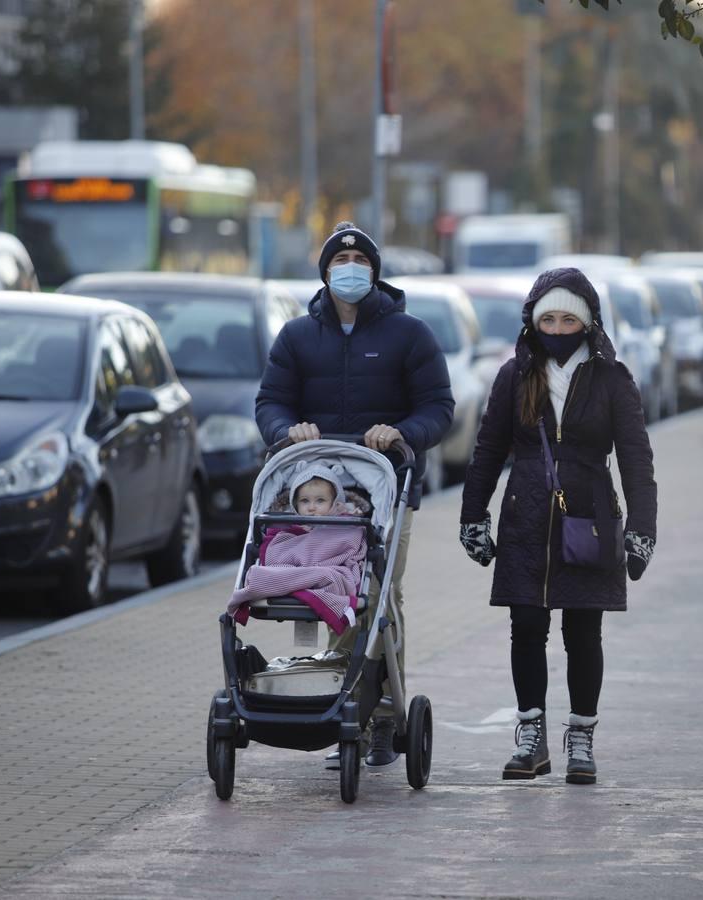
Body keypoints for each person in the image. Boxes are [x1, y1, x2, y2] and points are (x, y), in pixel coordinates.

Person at [256, 221, 454, 769]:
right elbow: (270, 401)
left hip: (383, 491)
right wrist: (286, 431)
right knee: (329, 589)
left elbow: (438, 407)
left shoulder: (409, 334)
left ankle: (383, 715)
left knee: (378, 595)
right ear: (325, 274)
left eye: (359, 261)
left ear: (374, 271)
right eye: (339, 260)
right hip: (311, 498)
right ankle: (334, 697)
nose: (349, 268)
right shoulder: (297, 337)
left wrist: (402, 433)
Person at [459, 267, 657, 785]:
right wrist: (472, 517)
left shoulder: (613, 378)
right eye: (548, 317)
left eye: (569, 318)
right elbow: (487, 451)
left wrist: (642, 530)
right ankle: (531, 738)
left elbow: (637, 459)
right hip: (524, 517)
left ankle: (582, 740)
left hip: (590, 517)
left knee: (583, 632)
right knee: (525, 627)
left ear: (587, 322)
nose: (558, 327)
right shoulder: (514, 375)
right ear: (533, 321)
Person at [227, 463, 366, 635]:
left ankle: (294, 582)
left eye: (320, 501)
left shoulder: (345, 526)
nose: (311, 507)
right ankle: (296, 581)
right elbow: (277, 555)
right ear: (294, 503)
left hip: (327, 570)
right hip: (293, 570)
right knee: (260, 573)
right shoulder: (285, 526)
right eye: (304, 501)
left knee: (329, 576)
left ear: (335, 503)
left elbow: (347, 548)